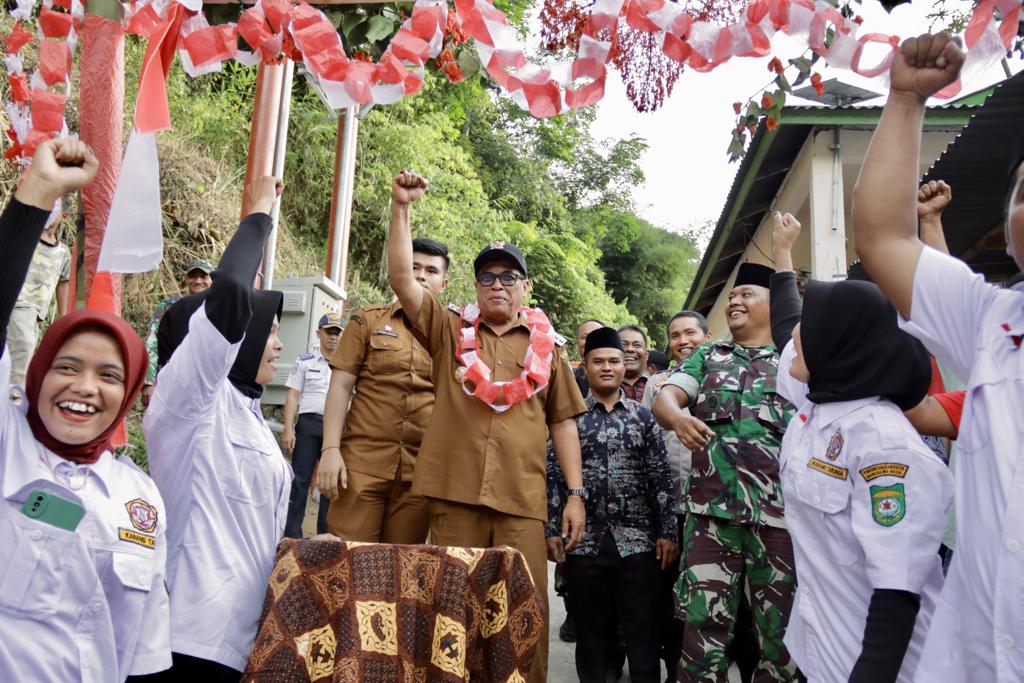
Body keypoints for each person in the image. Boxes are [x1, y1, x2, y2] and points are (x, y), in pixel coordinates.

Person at [851, 31, 1024, 682]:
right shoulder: (991, 321)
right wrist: (902, 100)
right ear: (1008, 227)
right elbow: (882, 236)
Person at [386, 170, 586, 683]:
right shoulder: (447, 328)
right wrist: (401, 208)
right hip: (455, 495)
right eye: (487, 277)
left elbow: (562, 422)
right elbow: (404, 282)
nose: (497, 285)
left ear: (525, 287)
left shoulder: (550, 348)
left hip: (521, 499)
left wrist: (576, 493)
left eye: (508, 278)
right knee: (452, 609)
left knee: (524, 613)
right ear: (475, 286)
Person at [0, 139, 171, 680]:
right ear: (37, 372)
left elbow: (142, 648)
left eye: (110, 375)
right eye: (67, 366)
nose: (86, 387)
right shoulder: (6, 441)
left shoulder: (139, 498)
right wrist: (37, 195)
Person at [769, 215, 953, 681]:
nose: (795, 338)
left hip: (875, 662)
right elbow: (786, 327)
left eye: (810, 328)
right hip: (818, 647)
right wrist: (781, 253)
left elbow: (898, 588)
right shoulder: (817, 402)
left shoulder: (884, 443)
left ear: (840, 345)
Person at [141, 175, 293, 679]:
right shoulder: (189, 400)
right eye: (268, 333)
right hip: (189, 638)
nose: (278, 346)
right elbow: (228, 293)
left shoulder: (249, 414)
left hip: (244, 636)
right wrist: (260, 214)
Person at [653, 262, 796, 682]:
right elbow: (667, 396)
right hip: (710, 520)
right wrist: (678, 418)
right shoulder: (708, 356)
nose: (734, 301)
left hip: (780, 521)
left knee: (782, 635)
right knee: (701, 632)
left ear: (775, 305)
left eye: (747, 294)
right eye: (732, 296)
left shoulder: (794, 361)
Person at [547, 326, 678, 683]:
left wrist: (667, 531)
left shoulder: (643, 416)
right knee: (590, 632)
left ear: (626, 366)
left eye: (614, 361)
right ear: (585, 367)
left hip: (636, 542)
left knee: (641, 631)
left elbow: (660, 477)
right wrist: (551, 530)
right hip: (583, 541)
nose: (607, 367)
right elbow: (553, 475)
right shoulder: (568, 418)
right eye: (598, 361)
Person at [315, 237, 450, 544]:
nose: (420, 276)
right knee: (349, 562)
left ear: (443, 282)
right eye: (413, 267)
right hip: (360, 466)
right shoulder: (368, 319)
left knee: (401, 572)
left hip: (419, 475)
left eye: (431, 270)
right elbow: (341, 386)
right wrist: (330, 450)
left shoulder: (453, 333)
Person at [642, 310, 711, 680]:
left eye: (690, 333)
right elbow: (651, 448)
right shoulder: (661, 385)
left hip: (717, 507)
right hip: (672, 507)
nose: (683, 341)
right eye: (675, 336)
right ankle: (674, 667)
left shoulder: (725, 377)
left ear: (707, 335)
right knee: (667, 594)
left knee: (711, 595)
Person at [281, 312, 342, 538]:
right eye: (329, 332)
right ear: (318, 333)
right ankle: (292, 534)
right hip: (308, 425)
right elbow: (292, 396)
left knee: (330, 482)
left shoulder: (347, 366)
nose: (333, 338)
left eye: (337, 333)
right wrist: (288, 428)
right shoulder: (305, 361)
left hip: (335, 430)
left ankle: (325, 535)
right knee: (300, 480)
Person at [6, 195, 70, 393]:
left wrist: (63, 318)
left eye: (56, 207)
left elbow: (63, 283)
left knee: (21, 355)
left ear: (64, 215)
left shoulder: (63, 253)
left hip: (35, 315)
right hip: (18, 303)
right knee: (21, 355)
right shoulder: (27, 238)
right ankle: (12, 405)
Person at [141, 258, 213, 406]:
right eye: (193, 276)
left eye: (203, 276)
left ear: (212, 279)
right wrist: (149, 383)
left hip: (207, 385)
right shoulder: (170, 306)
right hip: (171, 380)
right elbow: (152, 341)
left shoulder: (218, 308)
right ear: (186, 279)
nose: (198, 281)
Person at [618, 324, 649, 401]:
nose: (630, 349)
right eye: (623, 345)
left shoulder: (659, 386)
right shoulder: (603, 387)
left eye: (637, 345)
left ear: (647, 354)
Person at [573, 318, 604, 396]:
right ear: (577, 343)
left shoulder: (618, 374)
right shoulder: (568, 377)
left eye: (597, 336)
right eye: (585, 337)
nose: (591, 340)